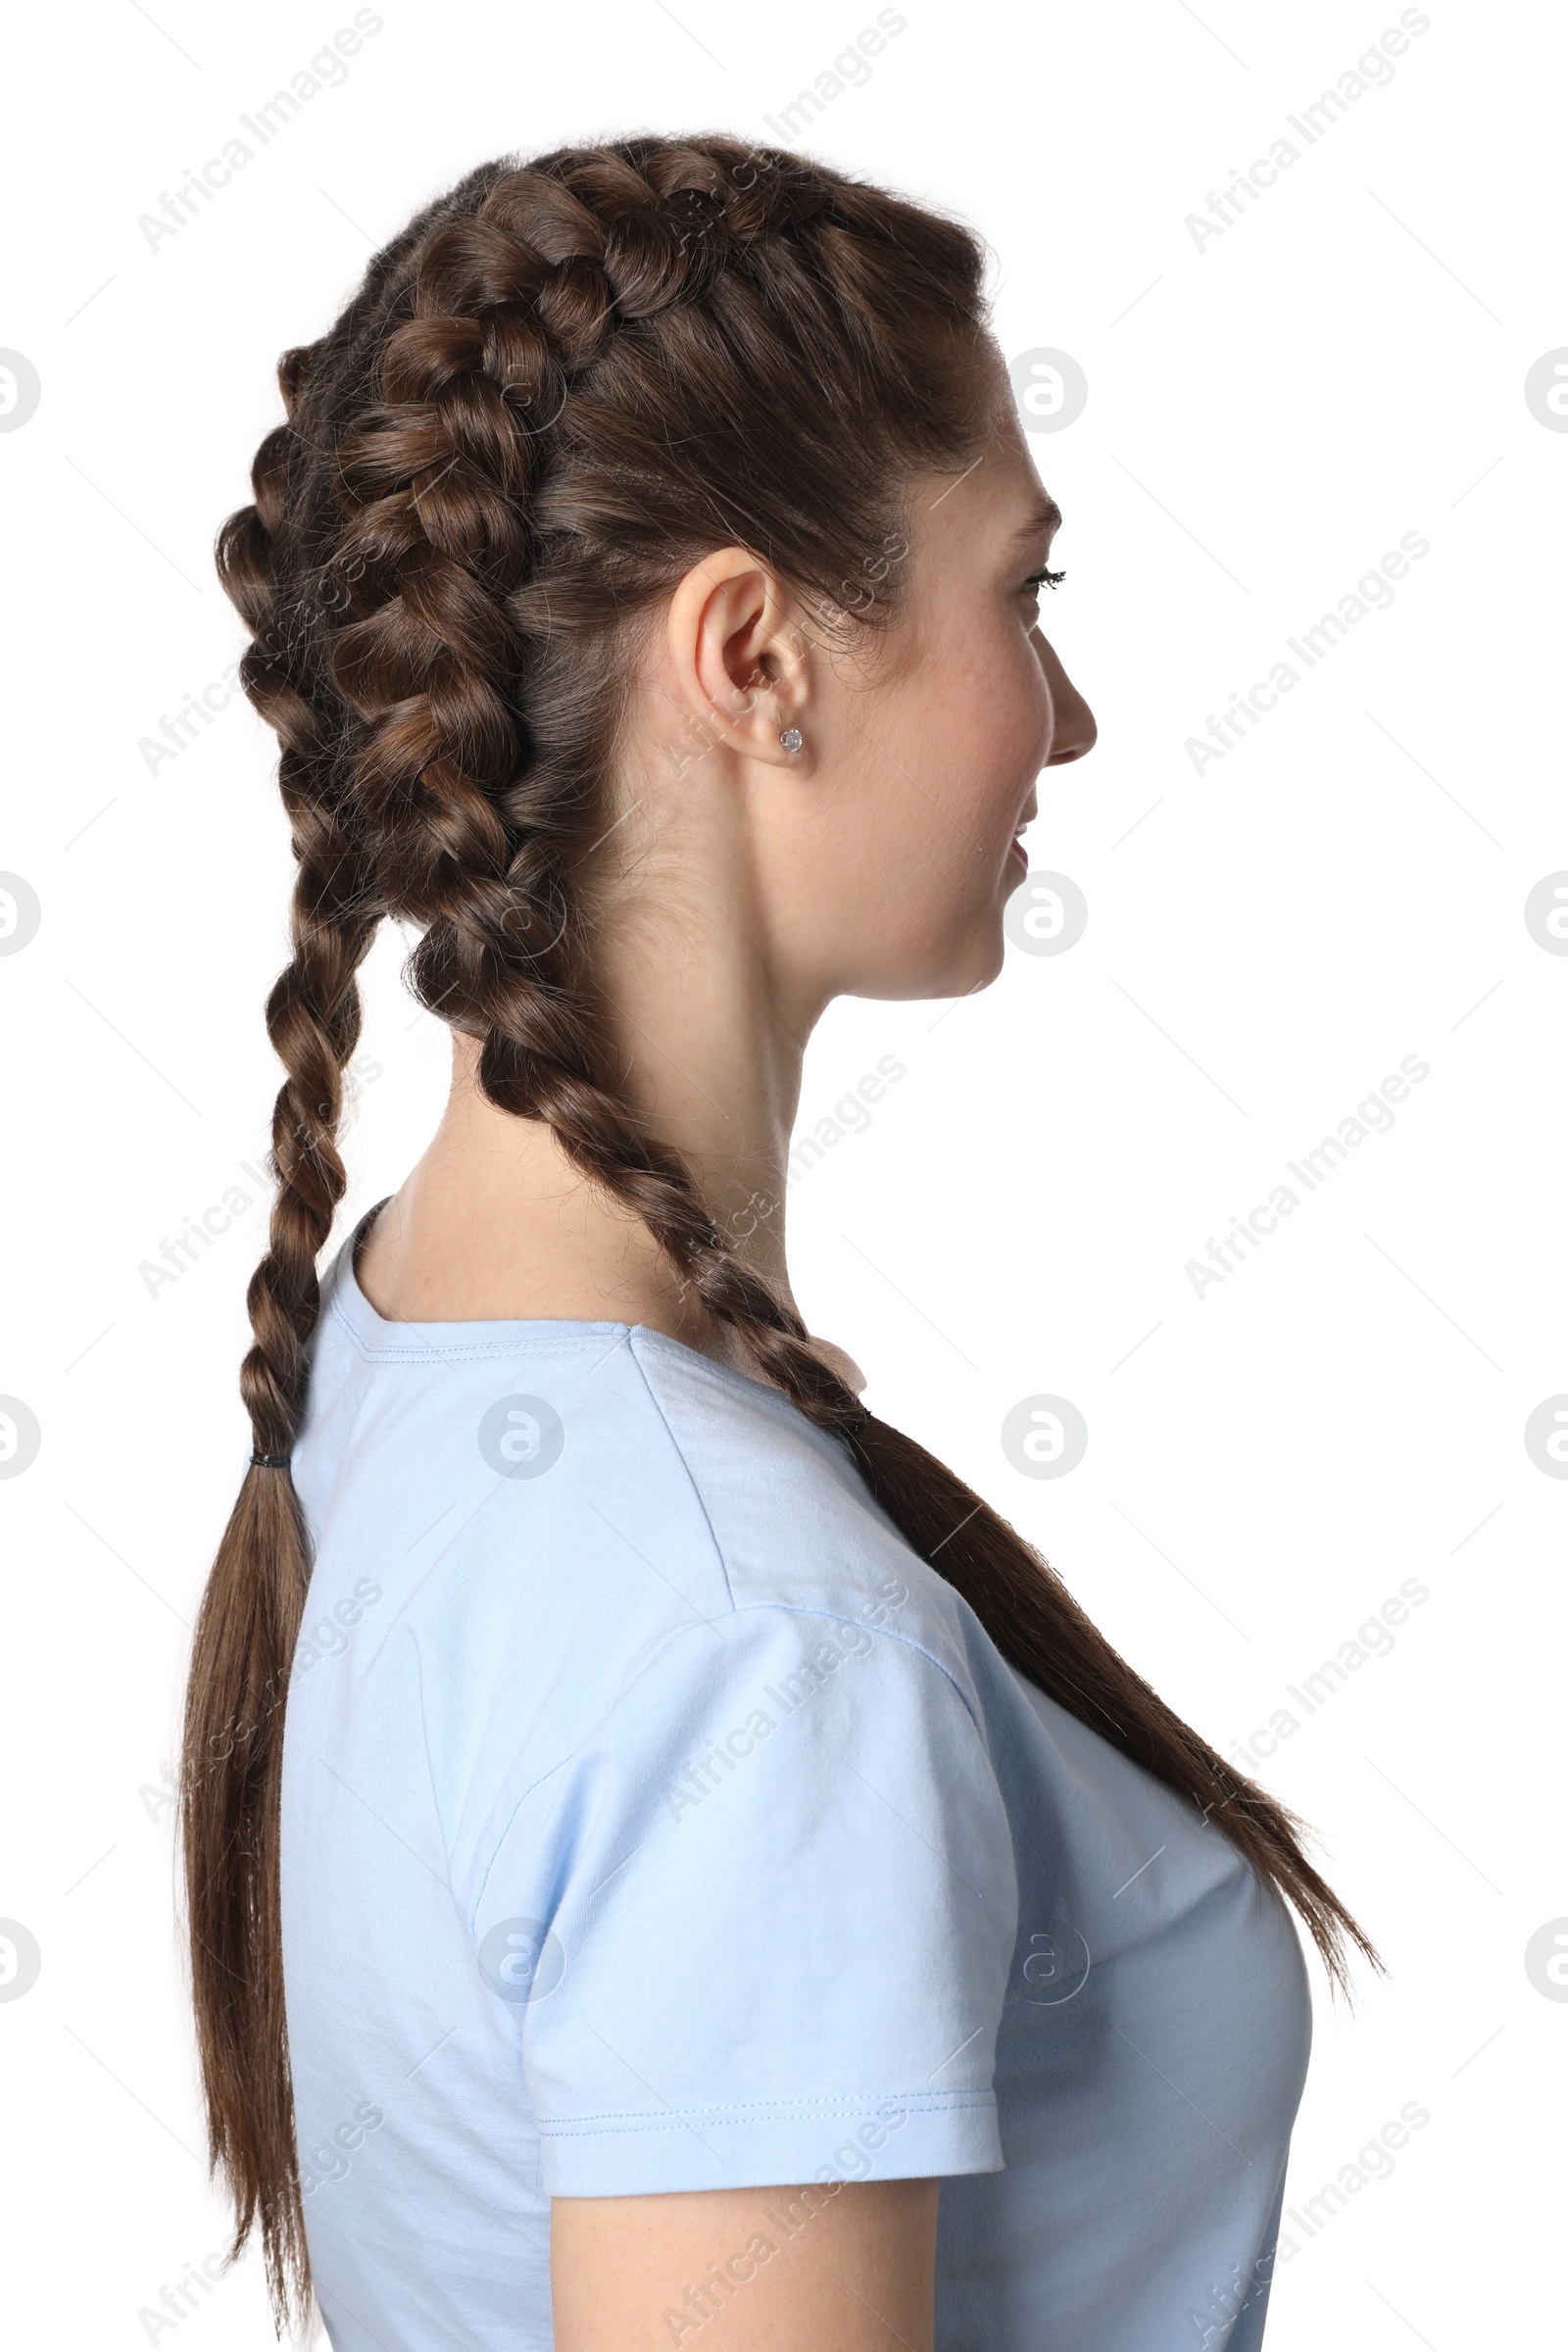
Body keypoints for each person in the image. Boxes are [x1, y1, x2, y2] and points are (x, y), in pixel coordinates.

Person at [181, 136, 1377, 2351]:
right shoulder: (758, 1654)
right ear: (749, 654)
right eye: (1023, 592)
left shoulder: (407, 1338)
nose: (1069, 718)